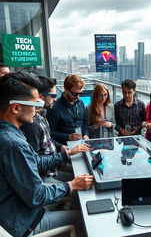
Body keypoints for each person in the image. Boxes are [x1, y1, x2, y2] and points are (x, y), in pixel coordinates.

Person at [0, 72, 94, 237]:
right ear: (16, 108)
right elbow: (37, 196)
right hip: (25, 223)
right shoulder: (14, 144)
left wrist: (66, 154)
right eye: (35, 104)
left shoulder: (12, 134)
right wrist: (72, 185)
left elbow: (36, 162)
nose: (38, 109)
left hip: (21, 211)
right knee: (87, 218)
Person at [20, 76, 83, 183]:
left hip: (53, 168)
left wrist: (61, 147)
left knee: (83, 175)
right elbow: (34, 164)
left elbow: (48, 140)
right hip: (45, 176)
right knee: (81, 184)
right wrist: (65, 154)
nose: (55, 98)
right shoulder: (32, 125)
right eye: (53, 95)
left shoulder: (41, 115)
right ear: (40, 97)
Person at [47, 74, 89, 145]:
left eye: (80, 93)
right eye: (75, 94)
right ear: (66, 89)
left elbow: (85, 123)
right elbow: (50, 133)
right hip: (65, 147)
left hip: (81, 143)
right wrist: (68, 137)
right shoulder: (54, 108)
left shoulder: (81, 103)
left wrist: (86, 134)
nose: (78, 97)